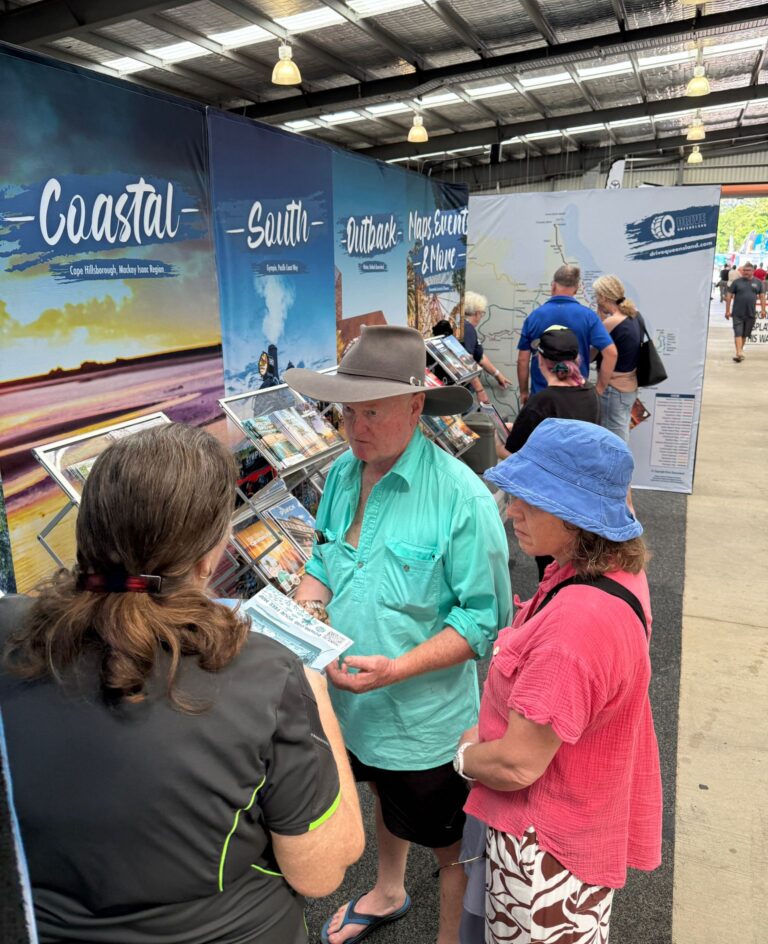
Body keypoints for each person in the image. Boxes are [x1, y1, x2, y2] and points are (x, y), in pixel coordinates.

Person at [0, 423, 364, 944]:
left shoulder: (10, 632)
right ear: (207, 556)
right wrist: (317, 696)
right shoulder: (265, 674)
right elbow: (322, 870)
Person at [283, 325, 512, 944]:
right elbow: (323, 562)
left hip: (424, 721)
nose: (355, 428)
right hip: (348, 705)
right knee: (382, 791)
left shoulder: (463, 498)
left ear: (416, 407)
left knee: (450, 843)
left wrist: (398, 669)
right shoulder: (340, 476)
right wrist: (310, 609)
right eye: (347, 413)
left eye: (372, 413)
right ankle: (387, 890)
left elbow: (484, 619)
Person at [456, 419, 662, 944]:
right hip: (579, 832)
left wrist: (464, 756)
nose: (510, 510)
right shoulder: (612, 570)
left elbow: (518, 763)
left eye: (534, 500)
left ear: (580, 518)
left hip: (542, 860)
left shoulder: (575, 625)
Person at [499, 326, 600, 581]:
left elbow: (511, 454)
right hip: (581, 497)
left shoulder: (541, 403)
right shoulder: (590, 394)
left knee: (550, 572)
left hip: (549, 503)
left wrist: (492, 438)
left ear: (541, 361)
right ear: (576, 359)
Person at [516, 265, 617, 406]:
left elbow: (522, 360)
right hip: (577, 399)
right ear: (576, 288)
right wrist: (598, 391)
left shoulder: (534, 317)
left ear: (553, 286)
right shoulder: (589, 317)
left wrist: (524, 392)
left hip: (541, 398)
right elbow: (611, 353)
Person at [591, 274, 643, 443]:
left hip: (613, 390)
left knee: (613, 440)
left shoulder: (611, 322)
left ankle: (620, 470)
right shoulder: (635, 315)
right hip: (629, 388)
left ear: (603, 297)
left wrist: (599, 388)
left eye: (596, 297)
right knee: (620, 433)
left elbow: (592, 354)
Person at [462, 291, 510, 404]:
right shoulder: (467, 329)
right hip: (461, 389)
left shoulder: (462, 326)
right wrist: (480, 390)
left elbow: (480, 357)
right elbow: (466, 361)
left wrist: (497, 374)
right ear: (477, 313)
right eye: (482, 313)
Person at [725, 261, 766, 362]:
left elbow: (762, 297)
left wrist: (763, 310)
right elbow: (729, 296)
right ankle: (739, 352)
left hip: (750, 313)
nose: (745, 272)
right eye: (744, 270)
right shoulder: (736, 282)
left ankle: (740, 351)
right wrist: (727, 310)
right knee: (738, 332)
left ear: (753, 271)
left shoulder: (758, 283)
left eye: (748, 270)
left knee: (744, 334)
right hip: (737, 313)